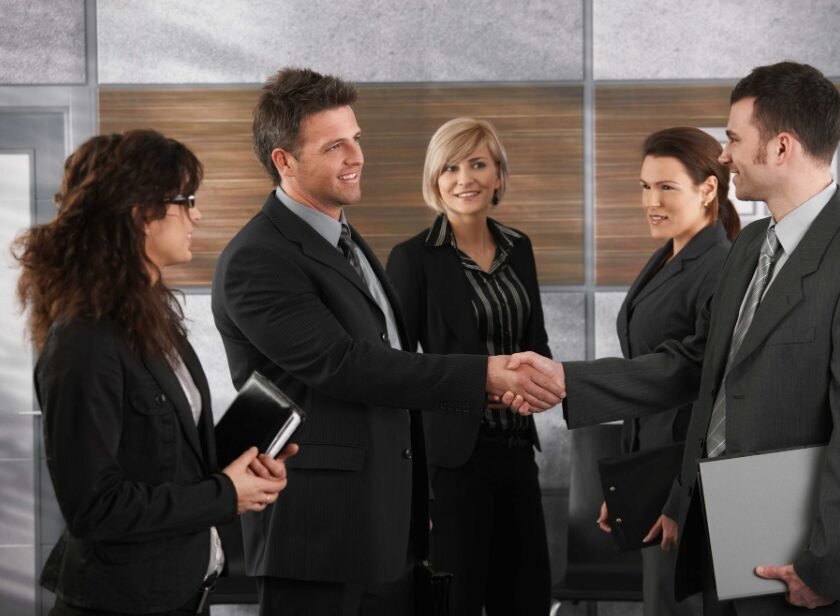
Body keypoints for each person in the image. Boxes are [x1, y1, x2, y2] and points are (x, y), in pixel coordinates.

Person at [508, 61, 840, 615]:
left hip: (807, 568)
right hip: (727, 541)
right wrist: (567, 380)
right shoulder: (750, 247)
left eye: (732, 138)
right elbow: (700, 369)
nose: (722, 155)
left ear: (780, 147)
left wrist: (830, 567)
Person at [210, 68, 563, 616]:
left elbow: (395, 366)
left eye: (357, 139)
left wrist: (416, 494)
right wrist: (484, 376)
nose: (356, 156)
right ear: (285, 161)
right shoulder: (259, 257)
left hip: (385, 527)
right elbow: (347, 365)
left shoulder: (345, 241)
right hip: (318, 536)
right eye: (335, 146)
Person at [16, 130, 295, 616]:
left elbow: (165, 457)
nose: (197, 215)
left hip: (185, 592)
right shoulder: (84, 341)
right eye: (185, 201)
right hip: (121, 603)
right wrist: (225, 494)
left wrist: (239, 468)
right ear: (139, 213)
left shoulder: (151, 317)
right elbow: (93, 507)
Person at [386, 117, 553, 615]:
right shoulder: (413, 259)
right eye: (451, 168)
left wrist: (533, 386)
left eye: (478, 164)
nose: (465, 179)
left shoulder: (518, 248)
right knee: (455, 602)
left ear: (499, 175)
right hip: (452, 463)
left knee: (526, 598)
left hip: (518, 450)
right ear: (435, 180)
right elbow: (396, 371)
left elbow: (536, 343)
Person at [593, 127, 740, 616]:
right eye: (644, 186)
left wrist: (682, 499)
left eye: (666, 187)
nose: (650, 201)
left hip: (684, 483)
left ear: (708, 189)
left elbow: (713, 395)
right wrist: (627, 487)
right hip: (650, 474)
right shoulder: (669, 255)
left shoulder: (719, 266)